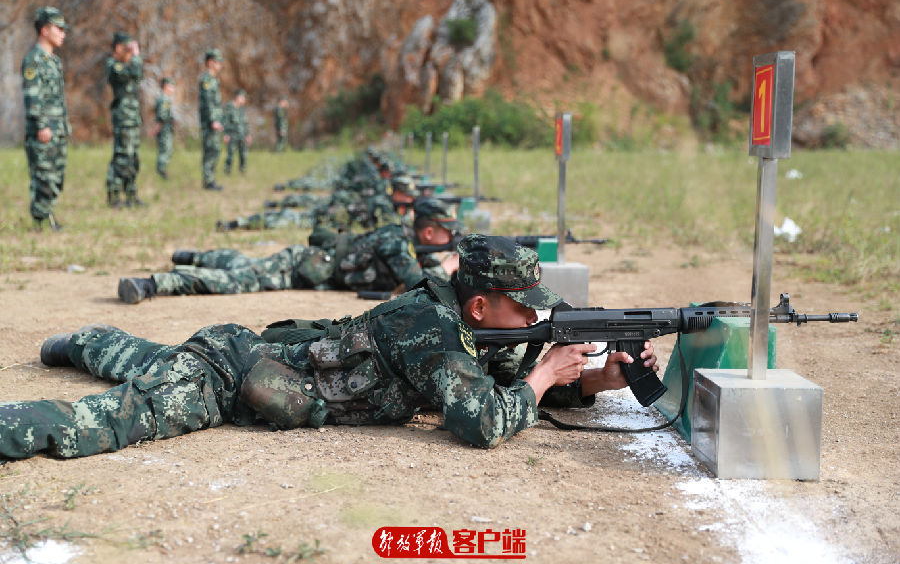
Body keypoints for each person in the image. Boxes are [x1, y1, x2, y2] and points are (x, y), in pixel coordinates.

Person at [0, 234, 657, 459]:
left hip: (256, 360)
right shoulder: (431, 330)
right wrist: (544, 376)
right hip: (231, 376)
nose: (531, 320)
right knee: (104, 423)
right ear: (480, 306)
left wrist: (598, 380)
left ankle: (88, 340)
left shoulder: (461, 323)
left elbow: (500, 379)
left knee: (147, 359)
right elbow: (484, 419)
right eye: (523, 310)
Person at [116, 197, 461, 303]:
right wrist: (449, 267)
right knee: (236, 281)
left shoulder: (410, 243)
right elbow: (419, 285)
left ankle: (196, 256)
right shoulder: (396, 242)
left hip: (310, 269)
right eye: (448, 231)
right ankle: (154, 283)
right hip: (298, 267)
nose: (451, 236)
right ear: (429, 230)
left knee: (244, 265)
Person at [21, 6, 71, 231]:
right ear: (44, 30)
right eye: (58, 29)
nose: (63, 34)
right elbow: (32, 97)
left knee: (56, 176)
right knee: (43, 176)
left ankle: (47, 214)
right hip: (43, 129)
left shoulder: (54, 61)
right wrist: (41, 125)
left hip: (58, 128)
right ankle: (41, 221)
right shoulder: (33, 60)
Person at [105, 31, 144, 207]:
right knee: (121, 156)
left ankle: (131, 194)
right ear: (118, 48)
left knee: (133, 158)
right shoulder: (113, 65)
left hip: (133, 119)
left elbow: (138, 74)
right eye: (127, 49)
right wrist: (135, 55)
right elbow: (134, 72)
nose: (130, 53)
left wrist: (133, 57)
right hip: (122, 118)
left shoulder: (127, 65)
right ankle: (114, 195)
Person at [198, 48, 224, 191]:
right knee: (210, 150)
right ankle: (208, 181)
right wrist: (213, 120)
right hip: (209, 123)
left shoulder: (213, 80)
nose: (220, 64)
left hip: (214, 121)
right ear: (210, 62)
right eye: (217, 61)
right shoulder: (207, 80)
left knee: (215, 149)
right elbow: (208, 102)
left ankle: (211, 179)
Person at [223, 89, 251, 174]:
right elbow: (225, 121)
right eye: (243, 98)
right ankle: (227, 170)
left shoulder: (241, 109)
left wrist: (248, 135)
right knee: (230, 154)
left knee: (243, 154)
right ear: (237, 97)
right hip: (232, 135)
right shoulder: (229, 107)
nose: (244, 100)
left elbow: (245, 123)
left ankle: (242, 170)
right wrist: (226, 134)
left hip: (242, 135)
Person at [152, 77, 175, 180]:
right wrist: (156, 128)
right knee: (165, 149)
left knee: (167, 149)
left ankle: (161, 169)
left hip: (166, 128)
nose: (173, 89)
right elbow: (161, 117)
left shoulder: (165, 99)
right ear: (166, 87)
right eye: (171, 86)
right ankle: (161, 170)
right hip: (164, 129)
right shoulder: (164, 99)